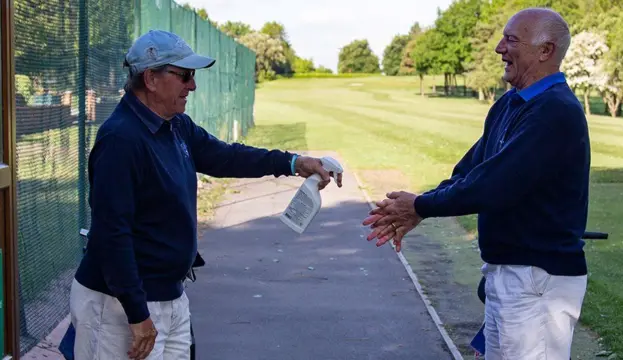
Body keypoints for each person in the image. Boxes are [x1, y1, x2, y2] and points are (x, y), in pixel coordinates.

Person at [69, 29, 343, 360]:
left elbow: (227, 156)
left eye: (193, 76)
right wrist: (137, 314)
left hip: (169, 297)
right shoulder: (121, 140)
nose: (193, 86)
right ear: (151, 79)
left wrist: (294, 162)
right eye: (184, 75)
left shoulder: (175, 125)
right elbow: (113, 235)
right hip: (119, 308)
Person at [363, 7, 590, 360]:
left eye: (511, 40)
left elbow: (493, 185)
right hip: (509, 275)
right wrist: (420, 206)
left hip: (537, 281)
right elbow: (469, 171)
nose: (500, 48)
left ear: (545, 51)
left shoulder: (555, 111)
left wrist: (420, 206)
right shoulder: (509, 105)